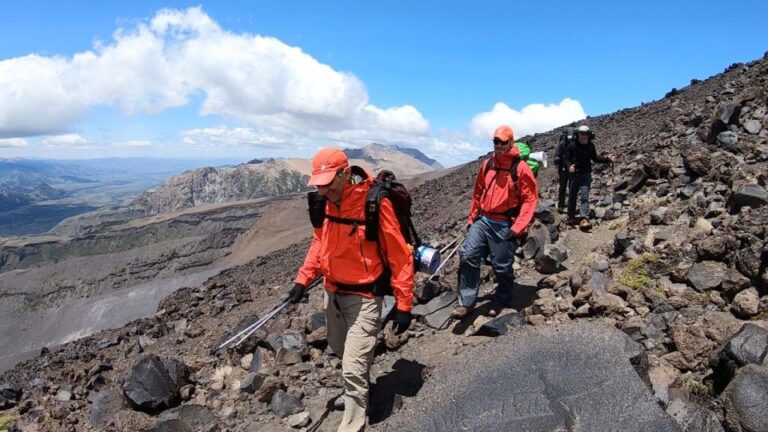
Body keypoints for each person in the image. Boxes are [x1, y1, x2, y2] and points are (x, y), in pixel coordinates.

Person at [286, 147, 414, 432]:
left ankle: (353, 423)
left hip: (365, 297)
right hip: (332, 292)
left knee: (353, 365)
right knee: (339, 348)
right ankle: (358, 387)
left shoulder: (374, 204)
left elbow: (399, 255)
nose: (323, 189)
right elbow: (319, 244)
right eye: (319, 183)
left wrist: (404, 305)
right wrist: (302, 280)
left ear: (345, 174)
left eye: (329, 182)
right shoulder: (324, 203)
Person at [452, 125, 539, 319]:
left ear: (511, 142)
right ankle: (466, 302)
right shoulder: (487, 164)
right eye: (495, 141)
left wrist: (518, 227)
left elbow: (530, 199)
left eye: (503, 142)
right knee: (468, 255)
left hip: (505, 223)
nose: (499, 145)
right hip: (483, 220)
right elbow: (478, 191)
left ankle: (502, 298)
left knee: (501, 266)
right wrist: (472, 217)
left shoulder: (520, 168)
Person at [563, 125, 614, 230]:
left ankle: (584, 219)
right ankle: (571, 217)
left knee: (584, 197)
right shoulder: (572, 146)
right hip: (574, 175)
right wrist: (569, 166)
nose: (584, 136)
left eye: (586, 134)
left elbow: (595, 158)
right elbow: (565, 158)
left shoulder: (591, 146)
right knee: (572, 196)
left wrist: (607, 159)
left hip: (586, 175)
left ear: (589, 135)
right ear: (578, 135)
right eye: (582, 134)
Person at [553, 127, 575, 212]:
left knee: (571, 187)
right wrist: (557, 158)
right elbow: (556, 154)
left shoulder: (574, 144)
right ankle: (561, 206)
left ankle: (569, 206)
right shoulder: (562, 144)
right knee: (563, 187)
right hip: (563, 169)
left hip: (571, 168)